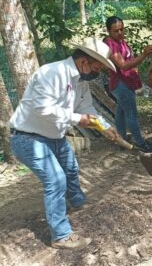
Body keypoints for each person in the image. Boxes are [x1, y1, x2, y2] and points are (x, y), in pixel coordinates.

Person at [9, 37, 119, 250]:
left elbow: (89, 109)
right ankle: (60, 235)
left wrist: (105, 127)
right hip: (28, 137)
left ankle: (78, 202)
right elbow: (43, 109)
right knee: (55, 179)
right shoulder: (52, 73)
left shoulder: (82, 82)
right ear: (84, 62)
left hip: (55, 137)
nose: (99, 71)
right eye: (98, 66)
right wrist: (79, 119)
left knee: (70, 168)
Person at [104, 16, 152, 153]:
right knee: (131, 114)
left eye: (122, 29)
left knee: (121, 112)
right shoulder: (110, 44)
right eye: (116, 31)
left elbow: (130, 59)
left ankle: (121, 140)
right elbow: (123, 65)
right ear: (108, 31)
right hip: (120, 84)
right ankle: (139, 143)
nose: (120, 33)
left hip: (126, 82)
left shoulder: (121, 42)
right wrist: (144, 55)